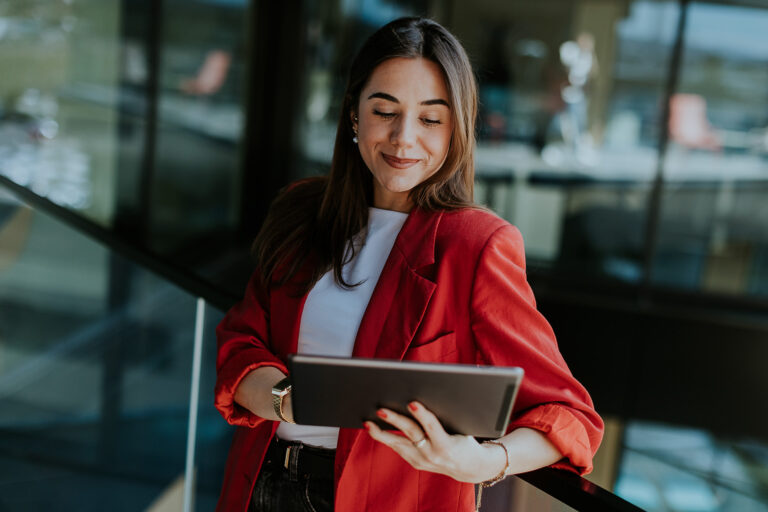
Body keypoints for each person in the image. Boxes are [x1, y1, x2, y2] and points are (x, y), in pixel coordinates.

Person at [214, 17, 603, 512]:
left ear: (457, 128)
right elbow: (240, 345)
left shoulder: (477, 245)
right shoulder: (301, 210)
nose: (403, 138)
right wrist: (288, 400)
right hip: (261, 487)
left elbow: (570, 416)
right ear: (353, 115)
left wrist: (486, 461)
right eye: (384, 111)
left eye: (430, 119)